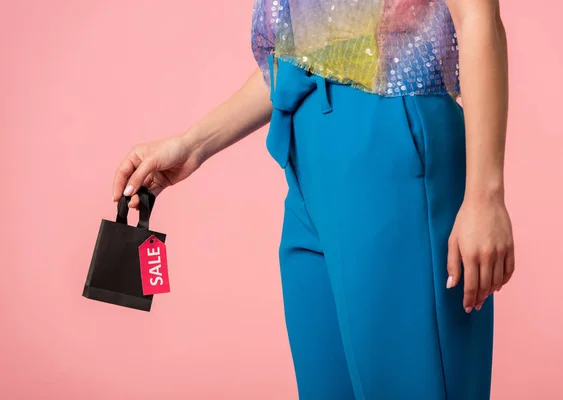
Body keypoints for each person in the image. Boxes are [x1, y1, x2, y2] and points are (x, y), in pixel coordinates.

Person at [112, 0, 515, 398]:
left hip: (390, 150)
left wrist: (485, 195)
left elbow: (478, 18)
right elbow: (315, 52)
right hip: (307, 166)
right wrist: (191, 145)